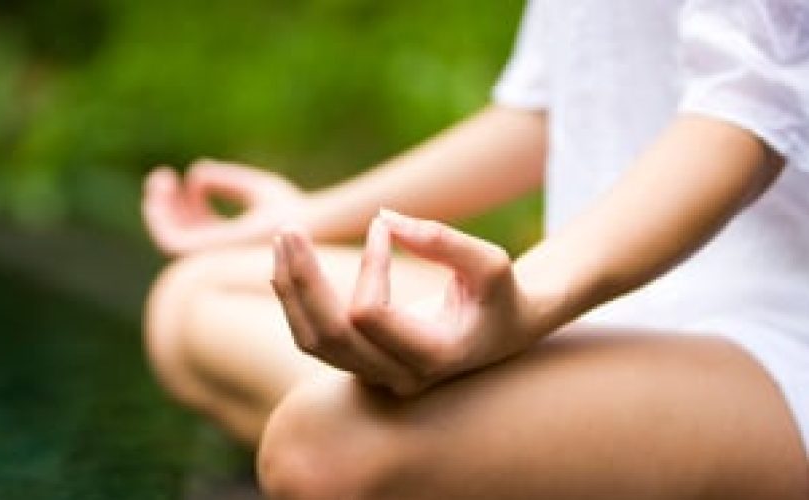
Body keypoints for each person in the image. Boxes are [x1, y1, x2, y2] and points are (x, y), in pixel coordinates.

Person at [141, 1, 809, 498]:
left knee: (321, 449)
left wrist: (529, 305)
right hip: (597, 306)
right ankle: (497, 450)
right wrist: (308, 217)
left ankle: (466, 442)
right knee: (193, 295)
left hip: (772, 345)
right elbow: (540, 112)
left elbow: (745, 117)